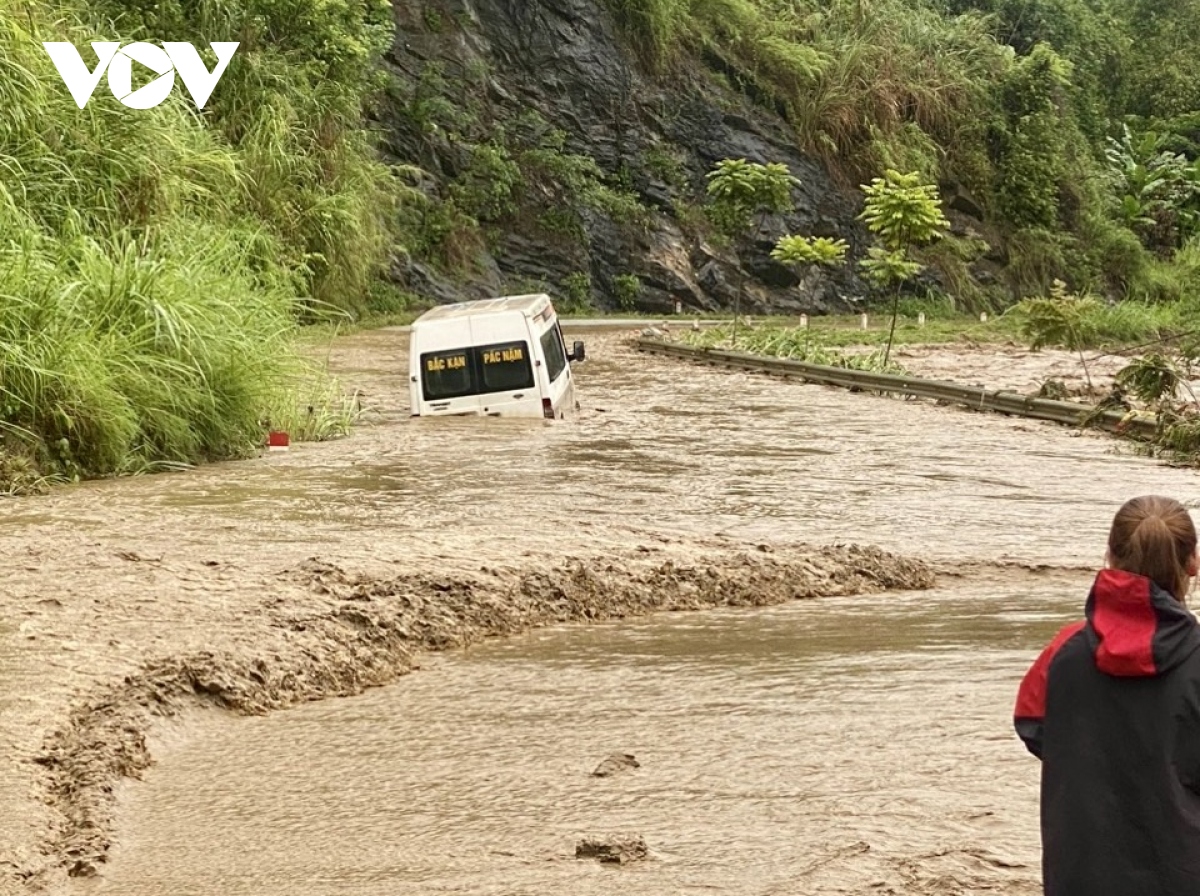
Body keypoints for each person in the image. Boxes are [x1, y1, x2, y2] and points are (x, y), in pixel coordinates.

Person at [1014, 495, 1200, 895]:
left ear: (1110, 557)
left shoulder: (1063, 650)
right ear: (1193, 563)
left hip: (1081, 873)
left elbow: (1032, 726)